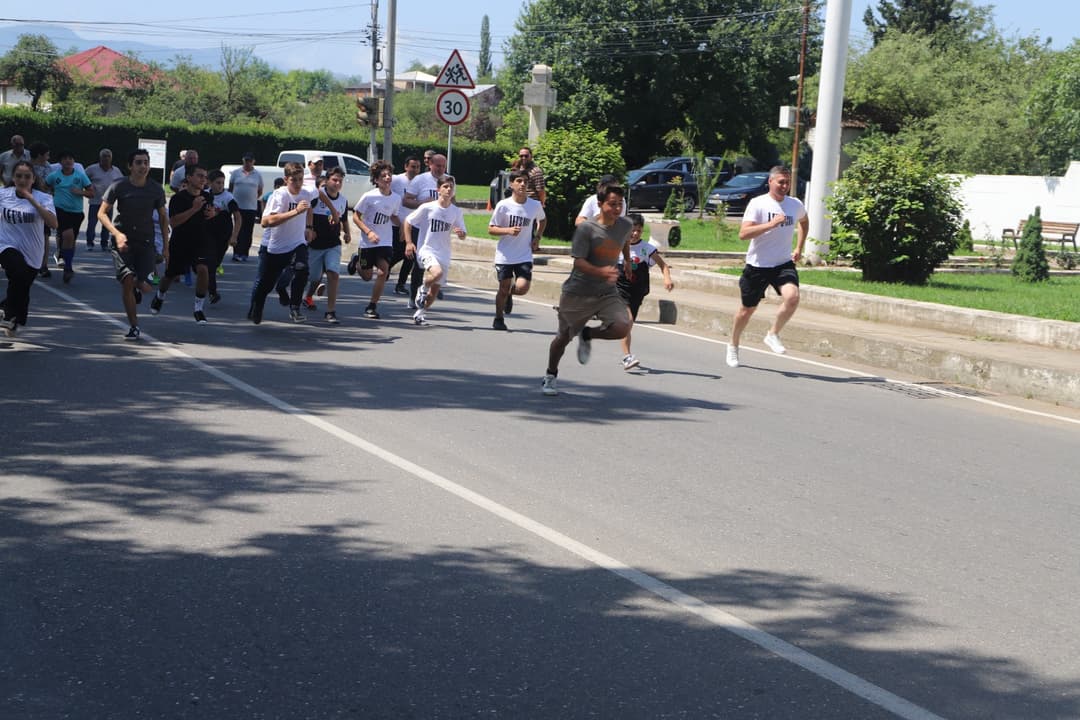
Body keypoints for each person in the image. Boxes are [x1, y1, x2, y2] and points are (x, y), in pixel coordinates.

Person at [541, 184, 634, 396]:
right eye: (612, 204)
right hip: (578, 292)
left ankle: (587, 334)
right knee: (563, 338)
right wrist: (602, 271)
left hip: (606, 292)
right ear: (599, 204)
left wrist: (627, 261)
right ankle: (550, 375)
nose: (617, 209)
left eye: (620, 204)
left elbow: (625, 241)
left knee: (622, 327)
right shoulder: (587, 229)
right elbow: (578, 263)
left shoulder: (625, 225)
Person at [725, 165, 808, 368]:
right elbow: (744, 234)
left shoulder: (794, 204)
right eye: (781, 182)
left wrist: (799, 246)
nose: (785, 186)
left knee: (792, 297)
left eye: (787, 182)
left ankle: (773, 334)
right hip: (758, 265)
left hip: (782, 263)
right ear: (770, 182)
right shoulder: (758, 204)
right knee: (747, 310)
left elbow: (804, 222)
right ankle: (733, 345)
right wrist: (771, 225)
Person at [97, 148, 169, 341]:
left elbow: (163, 218)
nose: (143, 166)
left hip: (146, 242)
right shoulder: (118, 185)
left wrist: (166, 247)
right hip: (123, 241)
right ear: (130, 166)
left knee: (149, 283)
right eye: (138, 162)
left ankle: (139, 283)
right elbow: (101, 213)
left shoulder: (155, 189)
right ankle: (134, 326)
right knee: (127, 280)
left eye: (146, 162)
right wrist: (117, 234)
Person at [248, 162, 316, 325]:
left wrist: (309, 227)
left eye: (301, 180)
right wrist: (295, 211)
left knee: (302, 269)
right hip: (276, 246)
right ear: (286, 179)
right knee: (265, 284)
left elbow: (309, 209)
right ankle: (257, 308)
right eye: (294, 180)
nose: (298, 184)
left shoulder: (306, 194)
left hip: (297, 242)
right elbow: (266, 221)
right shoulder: (279, 196)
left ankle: (295, 308)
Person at [152, 166, 217, 324]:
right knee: (170, 275)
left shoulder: (207, 196)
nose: (203, 179)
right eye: (199, 176)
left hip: (200, 242)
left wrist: (213, 214)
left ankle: (198, 309)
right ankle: (160, 296)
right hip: (180, 242)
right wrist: (194, 209)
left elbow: (210, 214)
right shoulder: (178, 199)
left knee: (203, 270)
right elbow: (173, 223)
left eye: (205, 177)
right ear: (189, 178)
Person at [0, 160, 57, 337]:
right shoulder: (3, 195)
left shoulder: (44, 198)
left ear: (33, 179)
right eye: (18, 176)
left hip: (33, 251)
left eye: (27, 177)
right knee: (17, 270)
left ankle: (12, 316)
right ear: (13, 178)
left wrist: (32, 200)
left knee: (22, 285)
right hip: (5, 245)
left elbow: (53, 223)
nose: (22, 180)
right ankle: (9, 314)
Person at [402, 175, 466, 326]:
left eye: (451, 187)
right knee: (436, 273)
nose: (449, 189)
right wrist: (409, 243)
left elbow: (463, 234)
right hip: (427, 249)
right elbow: (408, 222)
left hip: (444, 252)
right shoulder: (427, 207)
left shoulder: (456, 211)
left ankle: (420, 313)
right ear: (438, 190)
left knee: (435, 290)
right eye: (445, 187)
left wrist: (461, 234)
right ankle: (422, 288)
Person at [487, 169, 546, 330]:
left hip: (524, 254)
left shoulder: (534, 205)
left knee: (522, 288)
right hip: (505, 255)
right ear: (512, 184)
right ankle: (498, 318)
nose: (522, 184)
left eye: (525, 182)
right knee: (503, 287)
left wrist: (537, 237)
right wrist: (507, 231)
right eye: (519, 181)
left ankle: (509, 295)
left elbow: (543, 220)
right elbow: (491, 229)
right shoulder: (503, 205)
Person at [616, 213, 674, 369]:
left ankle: (625, 356)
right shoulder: (617, 246)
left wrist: (667, 278)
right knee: (626, 321)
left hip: (637, 292)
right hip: (619, 289)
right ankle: (627, 356)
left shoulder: (646, 249)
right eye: (632, 230)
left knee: (628, 324)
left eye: (639, 231)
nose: (635, 233)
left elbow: (663, 265)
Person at [352, 161, 399, 320]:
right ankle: (356, 260)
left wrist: (403, 226)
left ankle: (372, 306)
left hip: (385, 241)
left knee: (383, 271)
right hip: (367, 242)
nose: (387, 178)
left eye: (389, 175)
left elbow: (392, 215)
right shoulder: (369, 196)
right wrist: (368, 231)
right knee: (366, 276)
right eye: (383, 176)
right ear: (377, 180)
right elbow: (356, 216)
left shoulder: (396, 198)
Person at [402, 153, 448, 307]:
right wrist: (422, 203)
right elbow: (406, 200)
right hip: (420, 229)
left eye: (443, 166)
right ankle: (413, 295)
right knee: (419, 263)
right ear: (430, 165)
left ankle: (432, 286)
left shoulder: (449, 180)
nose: (441, 169)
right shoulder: (420, 180)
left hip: (438, 230)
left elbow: (452, 202)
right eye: (438, 166)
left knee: (438, 262)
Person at [304, 166, 350, 323]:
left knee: (333, 273)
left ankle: (330, 311)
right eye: (334, 180)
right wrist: (309, 229)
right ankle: (308, 296)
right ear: (328, 180)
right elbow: (306, 211)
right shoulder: (317, 196)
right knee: (314, 277)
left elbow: (343, 219)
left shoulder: (343, 200)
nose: (337, 183)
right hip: (315, 245)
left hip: (333, 244)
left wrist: (347, 232)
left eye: (340, 181)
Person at [44, 150, 94, 284]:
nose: (68, 161)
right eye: (65, 159)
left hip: (76, 212)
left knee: (71, 241)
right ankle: (68, 268)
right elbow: (44, 186)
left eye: (70, 158)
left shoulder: (80, 176)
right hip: (60, 210)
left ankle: (65, 259)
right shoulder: (54, 176)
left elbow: (91, 192)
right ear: (60, 162)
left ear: (74, 161)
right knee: (68, 236)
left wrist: (81, 192)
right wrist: (48, 198)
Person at [205, 170, 241, 303]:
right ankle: (213, 292)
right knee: (208, 264)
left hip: (223, 235)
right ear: (210, 183)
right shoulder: (205, 195)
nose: (220, 185)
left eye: (222, 183)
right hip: (207, 234)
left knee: (212, 265)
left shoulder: (228, 198)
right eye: (217, 183)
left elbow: (238, 217)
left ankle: (211, 287)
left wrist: (234, 236)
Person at [389, 154, 421, 295]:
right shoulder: (396, 180)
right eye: (412, 167)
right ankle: (384, 267)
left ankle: (400, 284)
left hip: (412, 224)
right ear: (406, 167)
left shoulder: (421, 182)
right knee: (396, 252)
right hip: (394, 223)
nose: (415, 170)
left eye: (418, 167)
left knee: (410, 254)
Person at [85, 149, 125, 251]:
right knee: (92, 224)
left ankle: (104, 244)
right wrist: (88, 188)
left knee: (107, 225)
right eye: (104, 156)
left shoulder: (116, 171)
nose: (106, 158)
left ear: (111, 158)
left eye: (108, 156)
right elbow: (82, 178)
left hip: (108, 203)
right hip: (95, 201)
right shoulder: (92, 169)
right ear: (100, 157)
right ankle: (90, 243)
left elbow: (122, 183)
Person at [228, 152, 264, 261]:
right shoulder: (236, 173)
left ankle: (244, 253)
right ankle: (236, 252)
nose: (248, 163)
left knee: (248, 231)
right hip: (238, 206)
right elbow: (231, 188)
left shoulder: (257, 175)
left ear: (253, 162)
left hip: (251, 207)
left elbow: (260, 191)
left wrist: (251, 198)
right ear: (243, 160)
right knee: (238, 230)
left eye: (250, 160)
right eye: (246, 160)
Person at [27, 142, 52, 279]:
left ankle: (44, 264)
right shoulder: (26, 166)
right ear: (39, 155)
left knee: (45, 235)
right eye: (47, 154)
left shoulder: (48, 167)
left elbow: (46, 186)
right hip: (26, 202)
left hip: (43, 203)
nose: (48, 157)